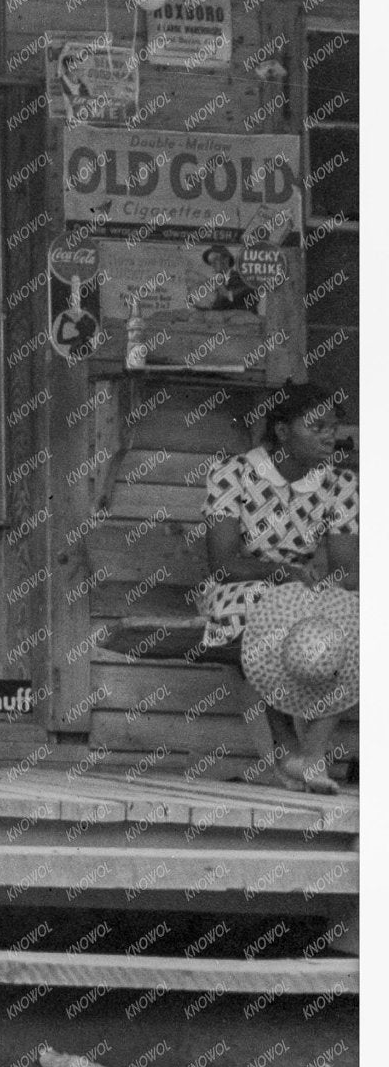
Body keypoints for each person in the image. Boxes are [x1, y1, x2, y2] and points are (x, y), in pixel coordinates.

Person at [196, 379, 358, 793]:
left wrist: (326, 590)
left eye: (333, 426)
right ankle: (288, 747)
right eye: (316, 426)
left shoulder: (339, 483)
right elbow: (223, 564)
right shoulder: (235, 474)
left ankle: (312, 754)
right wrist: (280, 574)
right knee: (264, 610)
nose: (329, 435)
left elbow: (346, 569)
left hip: (299, 593)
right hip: (240, 587)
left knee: (353, 618)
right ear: (283, 432)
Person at [195, 243, 260, 314]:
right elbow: (219, 307)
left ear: (226, 260)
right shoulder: (219, 282)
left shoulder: (242, 278)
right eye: (211, 262)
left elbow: (254, 293)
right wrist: (203, 308)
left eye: (215, 260)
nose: (212, 265)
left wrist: (227, 293)